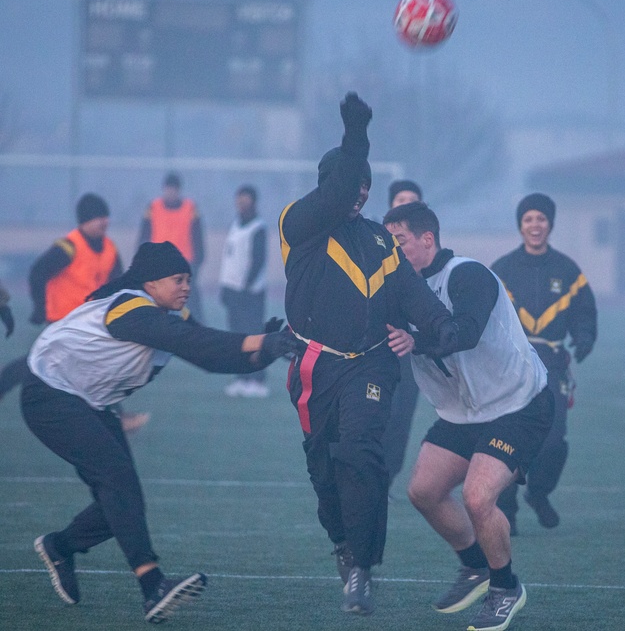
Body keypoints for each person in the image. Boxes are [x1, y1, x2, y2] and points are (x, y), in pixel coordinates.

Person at [22, 241, 300, 623]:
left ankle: (60, 546)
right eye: (177, 279)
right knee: (118, 481)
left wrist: (264, 351)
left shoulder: (170, 313)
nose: (186, 286)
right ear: (150, 283)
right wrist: (258, 341)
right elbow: (193, 341)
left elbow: (209, 356)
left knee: (122, 498)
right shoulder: (130, 305)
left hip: (90, 401)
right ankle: (152, 585)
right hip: (49, 394)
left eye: (188, 278)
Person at [278, 93, 456, 616]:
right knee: (323, 468)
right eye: (351, 184)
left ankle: (361, 566)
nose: (358, 193)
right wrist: (356, 135)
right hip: (314, 366)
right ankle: (342, 542)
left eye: (364, 187)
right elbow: (336, 188)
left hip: (372, 366)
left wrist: (443, 331)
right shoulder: (301, 224)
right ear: (328, 186)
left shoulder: (382, 240)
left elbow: (416, 300)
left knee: (361, 454)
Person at [383, 201, 552, 631]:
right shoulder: (396, 290)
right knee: (422, 490)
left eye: (398, 242)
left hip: (518, 405)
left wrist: (414, 341)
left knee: (479, 498)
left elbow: (465, 332)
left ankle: (505, 587)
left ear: (427, 239)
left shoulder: (468, 274)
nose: (392, 252)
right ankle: (476, 567)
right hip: (464, 413)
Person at [492, 193, 596, 534]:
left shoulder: (568, 271)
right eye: (528, 220)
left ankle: (538, 493)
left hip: (552, 366)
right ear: (520, 226)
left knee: (553, 441)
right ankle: (506, 510)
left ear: (550, 224)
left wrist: (584, 337)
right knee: (507, 438)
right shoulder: (502, 269)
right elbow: (485, 314)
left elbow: (585, 312)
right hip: (509, 368)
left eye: (541, 219)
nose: (535, 226)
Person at [0, 195, 127, 409]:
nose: (105, 221)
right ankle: (117, 415)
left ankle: (113, 415)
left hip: (90, 324)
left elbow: (120, 285)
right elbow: (38, 273)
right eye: (99, 217)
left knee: (84, 367)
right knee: (43, 366)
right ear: (85, 221)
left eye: (106, 217)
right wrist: (40, 308)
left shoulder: (110, 249)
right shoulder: (68, 247)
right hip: (64, 323)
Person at [382, 178, 425, 494]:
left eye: (413, 200)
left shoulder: (428, 251)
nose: (406, 204)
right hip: (372, 347)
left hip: (410, 351)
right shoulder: (372, 244)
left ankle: (387, 475)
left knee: (400, 417)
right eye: (401, 199)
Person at [219, 184, 269, 398]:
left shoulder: (258, 228)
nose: (241, 204)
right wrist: (225, 286)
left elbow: (257, 262)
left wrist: (244, 288)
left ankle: (257, 381)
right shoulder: (235, 225)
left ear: (254, 202)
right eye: (239, 200)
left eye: (246, 200)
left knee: (254, 336)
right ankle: (240, 377)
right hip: (233, 291)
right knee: (236, 337)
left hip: (251, 294)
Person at [138, 172, 205, 321]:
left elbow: (198, 237)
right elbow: (143, 236)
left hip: (185, 265)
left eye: (174, 189)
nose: (171, 192)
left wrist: (197, 263)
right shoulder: (153, 207)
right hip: (158, 266)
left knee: (191, 305)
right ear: (164, 189)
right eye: (168, 189)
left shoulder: (190, 208)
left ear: (179, 190)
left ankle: (198, 332)